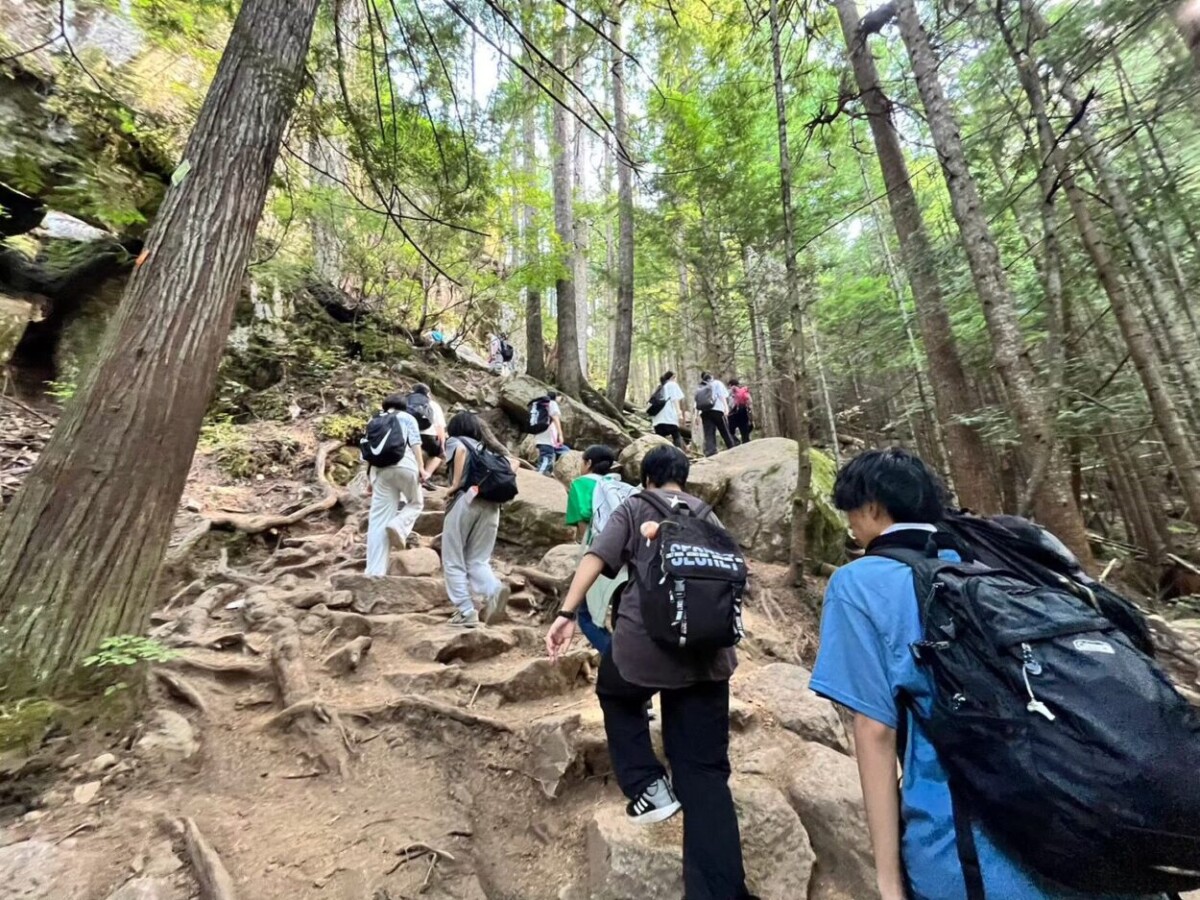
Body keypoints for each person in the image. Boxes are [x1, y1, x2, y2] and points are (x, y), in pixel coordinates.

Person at [810, 449, 1160, 900]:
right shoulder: (996, 567)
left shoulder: (860, 582)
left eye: (851, 514)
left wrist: (888, 881)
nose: (851, 527)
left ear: (873, 507)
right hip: (1091, 841)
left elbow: (875, 729)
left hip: (968, 859)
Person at [546, 445, 755, 900]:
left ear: (646, 479)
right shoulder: (708, 515)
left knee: (616, 692)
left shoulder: (636, 505)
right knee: (703, 773)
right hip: (708, 655)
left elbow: (596, 559)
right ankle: (721, 892)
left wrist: (567, 612)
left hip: (646, 649)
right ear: (683, 477)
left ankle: (647, 786)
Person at [442, 412, 510, 627]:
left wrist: (453, 485)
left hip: (465, 501)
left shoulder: (456, 441)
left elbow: (460, 451)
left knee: (453, 558)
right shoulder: (490, 449)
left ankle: (465, 610)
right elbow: (511, 464)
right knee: (478, 560)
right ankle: (494, 590)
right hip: (491, 505)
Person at [564, 445, 634, 654]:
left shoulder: (579, 484)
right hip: (626, 556)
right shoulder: (616, 485)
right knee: (621, 615)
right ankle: (628, 657)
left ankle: (615, 661)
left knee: (586, 617)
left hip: (600, 556)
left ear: (588, 464)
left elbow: (583, 525)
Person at [364, 395, 425, 576]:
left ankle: (374, 571)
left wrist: (369, 480)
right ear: (403, 406)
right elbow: (415, 443)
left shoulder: (374, 421)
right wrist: (422, 468)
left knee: (377, 522)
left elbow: (367, 453)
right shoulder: (407, 417)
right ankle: (399, 525)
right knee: (415, 502)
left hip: (381, 471)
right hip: (405, 465)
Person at [411, 383, 447, 488]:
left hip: (408, 435)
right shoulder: (433, 405)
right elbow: (440, 428)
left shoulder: (405, 402)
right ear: (428, 393)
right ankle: (425, 477)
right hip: (427, 436)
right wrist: (442, 446)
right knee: (438, 455)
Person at [696, 372, 735, 457]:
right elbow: (722, 396)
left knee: (709, 433)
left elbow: (697, 401)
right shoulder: (717, 383)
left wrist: (697, 415)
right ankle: (731, 447)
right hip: (717, 410)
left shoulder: (700, 387)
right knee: (724, 430)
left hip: (705, 412)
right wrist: (726, 407)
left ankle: (711, 452)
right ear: (711, 376)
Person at [650, 371, 686, 449]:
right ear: (672, 377)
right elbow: (675, 399)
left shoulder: (660, 387)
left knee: (660, 439)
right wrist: (679, 413)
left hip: (657, 418)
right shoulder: (672, 385)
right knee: (676, 435)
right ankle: (678, 454)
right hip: (668, 416)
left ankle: (660, 455)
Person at [533, 390, 565, 476]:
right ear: (556, 397)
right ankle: (538, 476)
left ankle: (543, 474)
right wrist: (560, 435)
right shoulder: (552, 404)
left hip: (540, 436)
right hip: (547, 438)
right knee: (546, 458)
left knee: (544, 457)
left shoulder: (542, 405)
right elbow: (556, 419)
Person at [727, 379, 753, 445]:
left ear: (730, 385)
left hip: (733, 413)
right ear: (738, 384)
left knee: (730, 431)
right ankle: (746, 442)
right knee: (744, 429)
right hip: (743, 411)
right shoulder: (743, 391)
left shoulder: (729, 392)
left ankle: (736, 442)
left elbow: (729, 403)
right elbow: (749, 401)